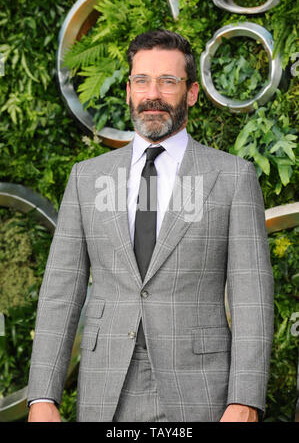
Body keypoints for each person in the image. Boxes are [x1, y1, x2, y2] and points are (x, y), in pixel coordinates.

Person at [27, 29, 274, 422]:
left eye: (168, 81)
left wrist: (245, 399)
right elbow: (61, 291)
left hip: (202, 392)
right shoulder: (86, 178)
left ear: (191, 93)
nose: (152, 94)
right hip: (105, 389)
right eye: (142, 80)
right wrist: (42, 396)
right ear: (128, 90)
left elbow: (251, 296)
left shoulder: (232, 177)